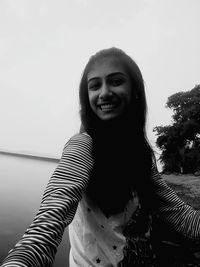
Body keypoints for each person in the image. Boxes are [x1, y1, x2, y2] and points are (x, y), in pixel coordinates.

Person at [1, 47, 200, 267]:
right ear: (87, 96)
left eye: (115, 81)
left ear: (135, 90)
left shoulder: (141, 154)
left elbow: (178, 213)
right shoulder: (82, 146)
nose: (104, 92)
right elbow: (48, 223)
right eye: (95, 85)